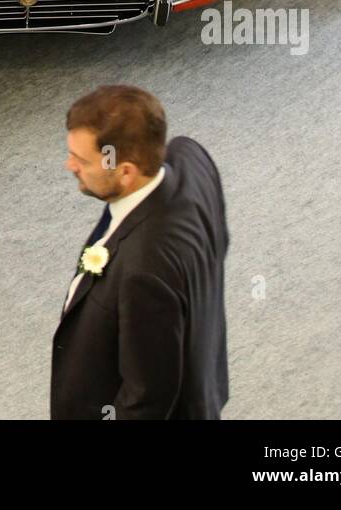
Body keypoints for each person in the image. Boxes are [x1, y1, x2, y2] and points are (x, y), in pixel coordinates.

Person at [51, 85, 229, 420]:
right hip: (201, 381)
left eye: (81, 159)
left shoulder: (143, 274)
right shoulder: (191, 158)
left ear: (126, 171)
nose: (69, 165)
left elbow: (147, 398)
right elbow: (219, 241)